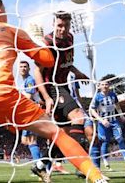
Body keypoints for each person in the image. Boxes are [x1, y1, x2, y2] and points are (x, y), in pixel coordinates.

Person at [0, 0, 106, 183]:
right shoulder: (11, 31)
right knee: (56, 133)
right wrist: (37, 38)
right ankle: (96, 178)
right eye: (5, 9)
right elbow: (48, 60)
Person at [32, 11, 92, 174]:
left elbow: (66, 63)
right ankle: (83, 166)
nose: (63, 29)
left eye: (66, 26)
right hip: (51, 86)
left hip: (62, 86)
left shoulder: (70, 38)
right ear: (53, 25)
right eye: (59, 25)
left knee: (63, 135)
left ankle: (39, 165)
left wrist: (77, 72)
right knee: (78, 117)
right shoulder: (47, 43)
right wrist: (46, 97)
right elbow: (37, 71)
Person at [89, 80, 125, 169]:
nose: (105, 86)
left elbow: (117, 105)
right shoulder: (97, 97)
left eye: (106, 84)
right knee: (105, 141)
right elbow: (92, 110)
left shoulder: (113, 95)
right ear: (99, 86)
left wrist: (121, 115)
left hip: (114, 121)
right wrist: (101, 120)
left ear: (109, 86)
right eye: (103, 84)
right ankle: (105, 160)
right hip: (103, 123)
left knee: (120, 139)